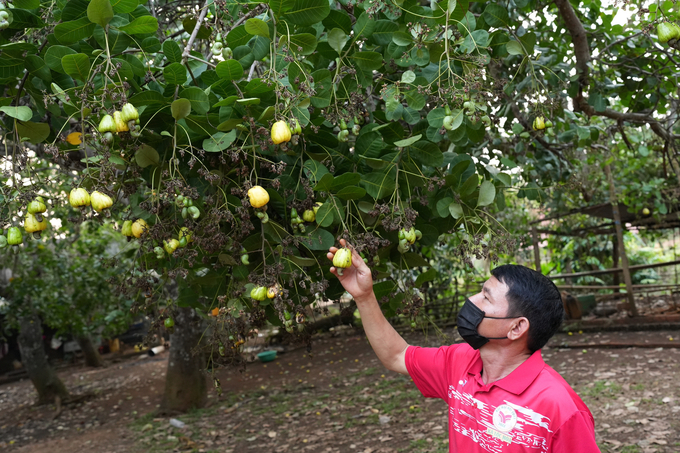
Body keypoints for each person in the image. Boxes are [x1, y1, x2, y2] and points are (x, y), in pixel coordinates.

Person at [327, 240, 600, 453]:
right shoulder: (461, 361)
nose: (472, 300)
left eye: (486, 297)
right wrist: (364, 296)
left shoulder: (560, 408)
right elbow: (397, 355)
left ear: (516, 327)